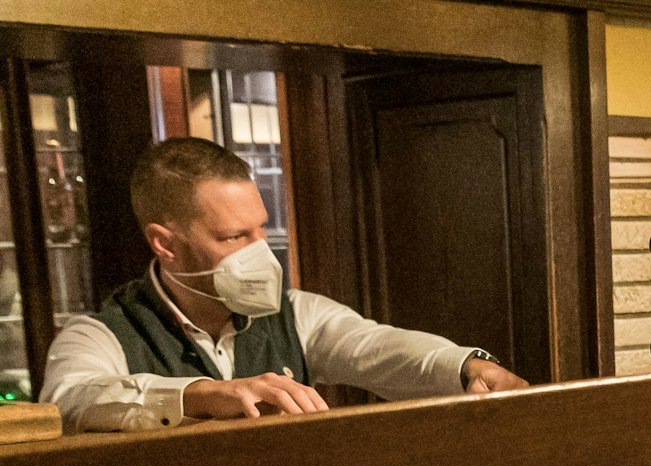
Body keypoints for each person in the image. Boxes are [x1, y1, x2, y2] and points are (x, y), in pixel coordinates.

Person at [41, 138, 527, 433]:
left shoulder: (295, 313)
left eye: (260, 230)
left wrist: (465, 365)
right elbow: (70, 402)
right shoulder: (98, 333)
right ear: (164, 244)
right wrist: (204, 394)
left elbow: (377, 346)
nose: (259, 251)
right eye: (233, 237)